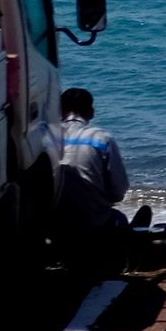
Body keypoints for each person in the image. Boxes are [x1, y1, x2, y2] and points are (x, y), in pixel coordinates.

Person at [54, 88, 140, 238]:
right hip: (93, 221)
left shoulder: (47, 139)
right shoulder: (101, 139)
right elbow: (118, 191)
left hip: (53, 221)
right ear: (91, 112)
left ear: (60, 111)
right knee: (129, 218)